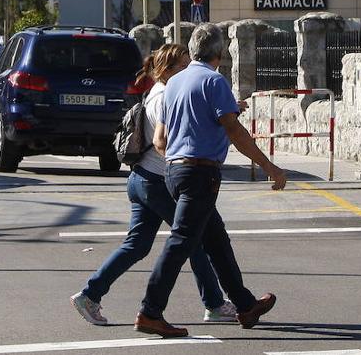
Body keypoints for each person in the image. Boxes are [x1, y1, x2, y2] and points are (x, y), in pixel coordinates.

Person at [135, 23, 287, 338]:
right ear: (220, 53)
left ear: (192, 51)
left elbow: (161, 139)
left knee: (216, 240)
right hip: (200, 172)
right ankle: (150, 312)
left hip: (175, 170)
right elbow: (234, 131)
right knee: (180, 242)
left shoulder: (174, 82)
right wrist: (269, 166)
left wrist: (181, 159)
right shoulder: (214, 81)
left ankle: (245, 305)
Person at [70, 45, 238, 326]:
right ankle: (215, 305)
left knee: (137, 245)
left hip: (141, 179)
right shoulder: (165, 96)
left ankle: (90, 295)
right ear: (167, 70)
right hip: (158, 181)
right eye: (183, 66)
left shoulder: (160, 92)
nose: (188, 70)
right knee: (192, 240)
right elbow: (167, 141)